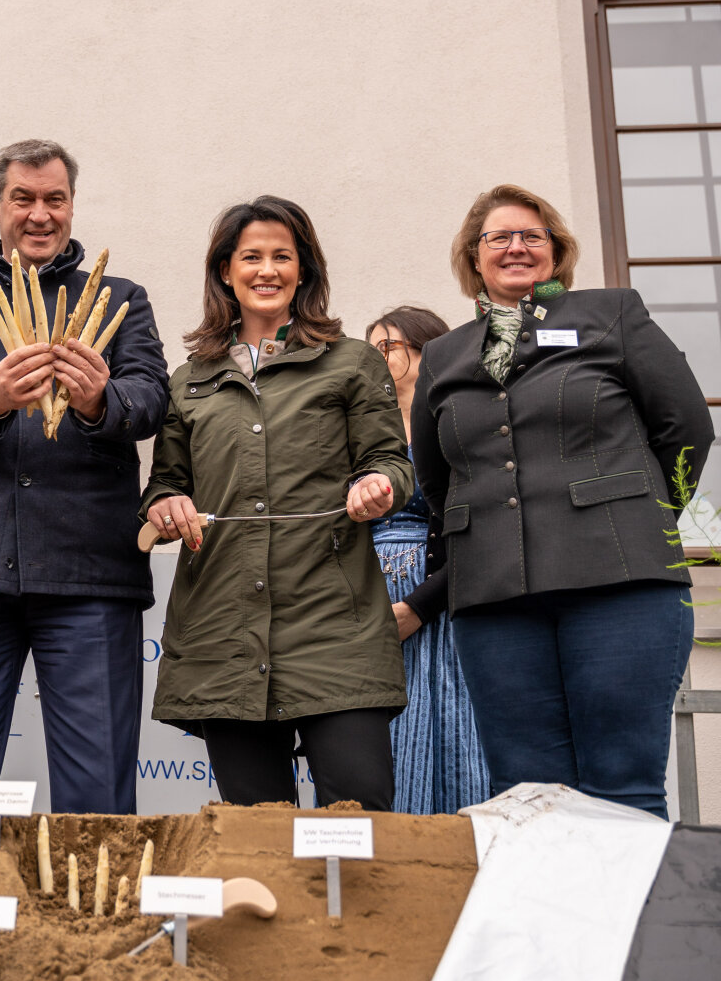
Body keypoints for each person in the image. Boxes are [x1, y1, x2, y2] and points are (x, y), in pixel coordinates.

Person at [411, 184, 713, 818]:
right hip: (494, 600)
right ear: (474, 256)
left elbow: (685, 428)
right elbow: (438, 480)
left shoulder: (610, 314)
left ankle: (629, 923)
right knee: (527, 798)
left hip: (621, 585)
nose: (516, 247)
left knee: (621, 786)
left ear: (556, 252)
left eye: (533, 236)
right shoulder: (443, 354)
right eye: (499, 237)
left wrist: (638, 518)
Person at [0, 138, 169, 814]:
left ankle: (97, 921)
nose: (40, 214)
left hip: (89, 570)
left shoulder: (121, 299)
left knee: (98, 786)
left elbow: (151, 399)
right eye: (24, 198)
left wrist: (99, 401)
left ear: (72, 206)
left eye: (55, 198)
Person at [142, 196, 412, 808]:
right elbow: (166, 485)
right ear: (225, 272)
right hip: (224, 633)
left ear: (304, 271)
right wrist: (164, 508)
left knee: (360, 816)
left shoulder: (351, 363)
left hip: (333, 628)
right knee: (257, 835)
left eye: (282, 257)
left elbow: (390, 463)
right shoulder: (188, 380)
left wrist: (379, 487)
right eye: (251, 257)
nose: (267, 270)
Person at [366, 306, 490, 814]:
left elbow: (482, 529)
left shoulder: (456, 426)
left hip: (438, 594)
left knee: (446, 724)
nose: (376, 360)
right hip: (367, 598)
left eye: (387, 348)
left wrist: (419, 605)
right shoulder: (363, 432)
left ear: (427, 350)